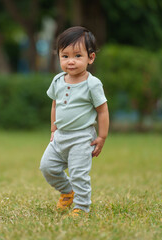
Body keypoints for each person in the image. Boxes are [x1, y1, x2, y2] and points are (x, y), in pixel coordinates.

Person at [39, 26, 109, 217]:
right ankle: (67, 192)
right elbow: (55, 105)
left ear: (91, 58)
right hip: (60, 136)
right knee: (47, 167)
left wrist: (102, 136)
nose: (71, 61)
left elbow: (102, 110)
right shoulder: (58, 81)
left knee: (79, 174)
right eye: (65, 56)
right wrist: (53, 129)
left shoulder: (92, 84)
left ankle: (82, 206)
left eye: (78, 56)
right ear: (58, 57)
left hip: (82, 138)